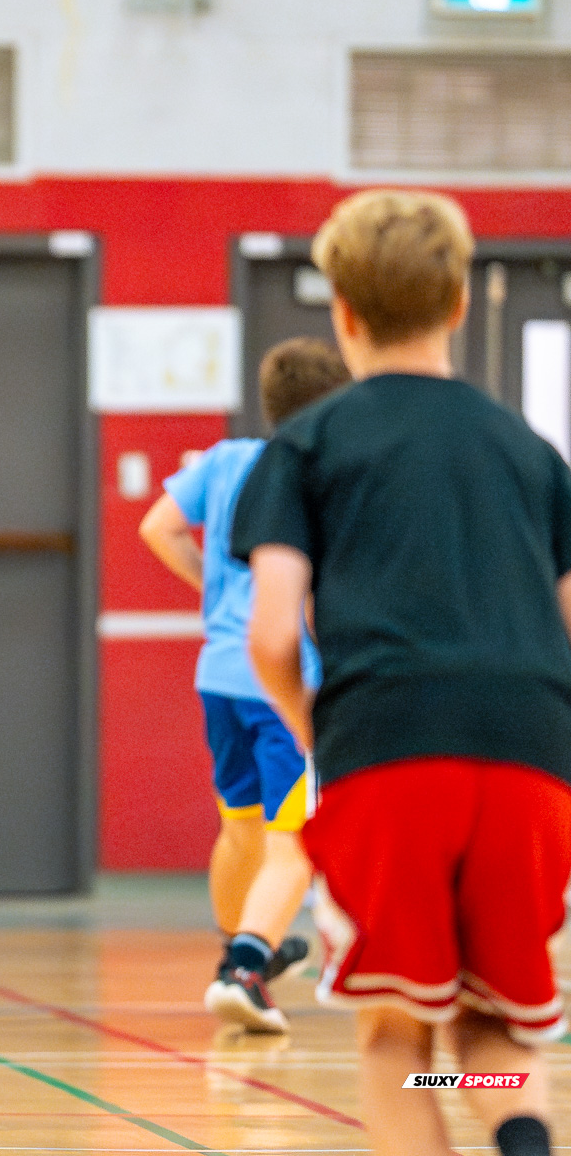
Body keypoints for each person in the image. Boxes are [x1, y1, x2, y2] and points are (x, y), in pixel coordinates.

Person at [235, 188, 568, 1156]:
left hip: (389, 751)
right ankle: (522, 1133)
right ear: (461, 302)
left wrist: (312, 727)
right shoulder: (531, 452)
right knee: (496, 1032)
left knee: (394, 1039)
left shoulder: (307, 444)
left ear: (341, 312)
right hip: (531, 761)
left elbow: (269, 632)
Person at [138, 338, 350, 1033]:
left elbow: (158, 527)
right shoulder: (322, 469)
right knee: (294, 833)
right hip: (285, 675)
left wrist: (211, 590)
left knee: (239, 827)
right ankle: (246, 968)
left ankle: (237, 950)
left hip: (219, 675)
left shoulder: (225, 460)